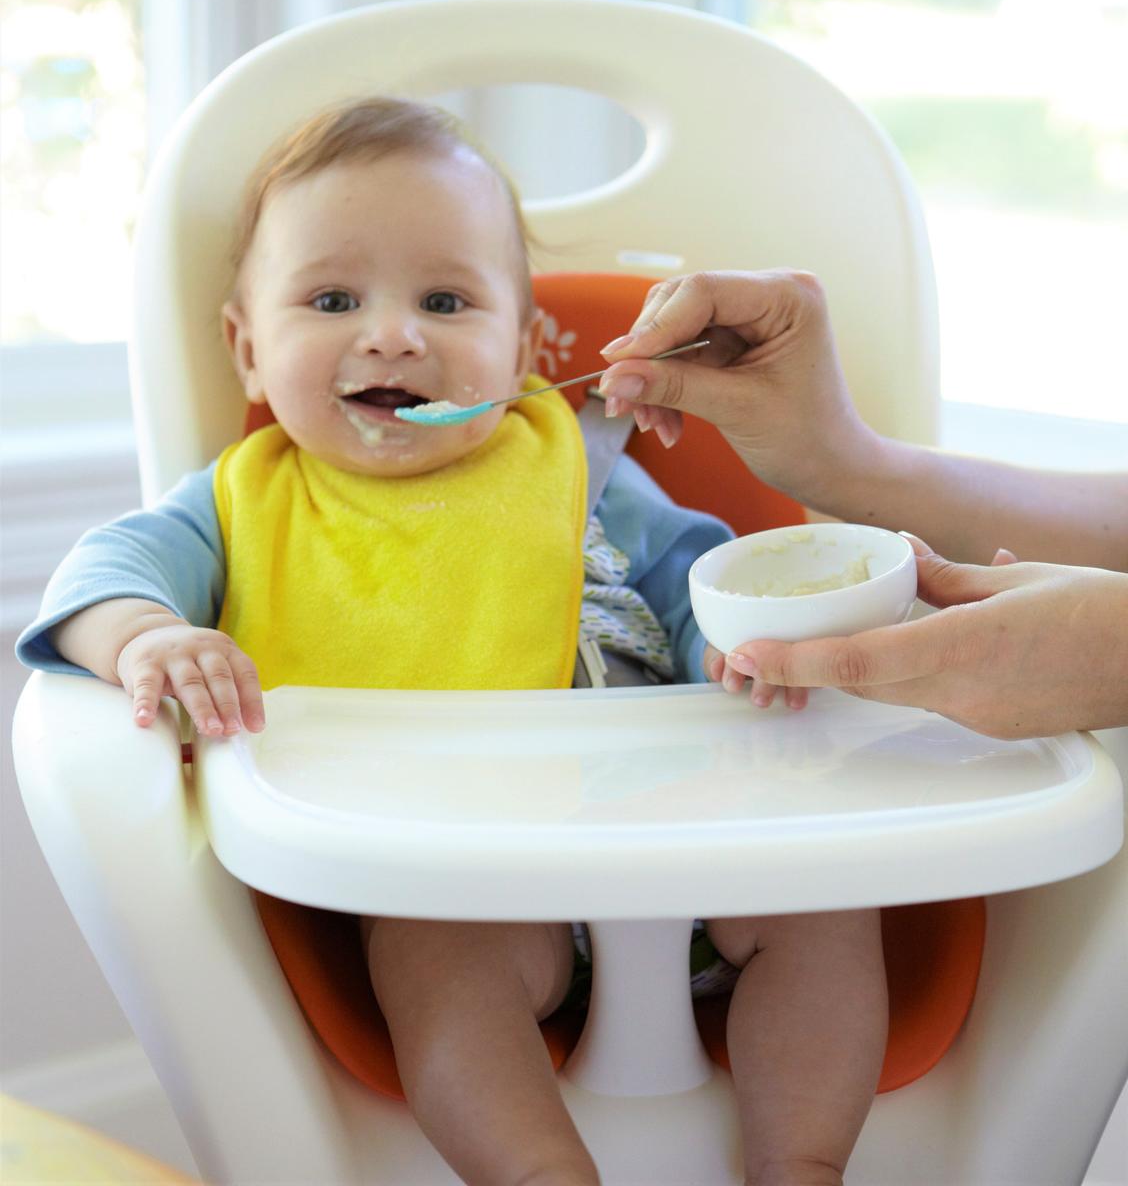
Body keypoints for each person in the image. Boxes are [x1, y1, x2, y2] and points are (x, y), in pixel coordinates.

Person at [17, 102, 887, 1186]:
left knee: (824, 910)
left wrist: (737, 649)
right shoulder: (241, 505)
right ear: (248, 349)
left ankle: (802, 1163)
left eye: (445, 300)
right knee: (436, 976)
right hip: (454, 891)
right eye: (333, 299)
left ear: (524, 350)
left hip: (685, 849)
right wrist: (147, 638)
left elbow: (709, 575)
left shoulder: (583, 469)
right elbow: (100, 578)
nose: (393, 334)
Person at [597, 270, 1128, 741]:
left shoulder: (590, 479)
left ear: (532, 345)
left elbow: (688, 615)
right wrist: (841, 458)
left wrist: (1110, 649)